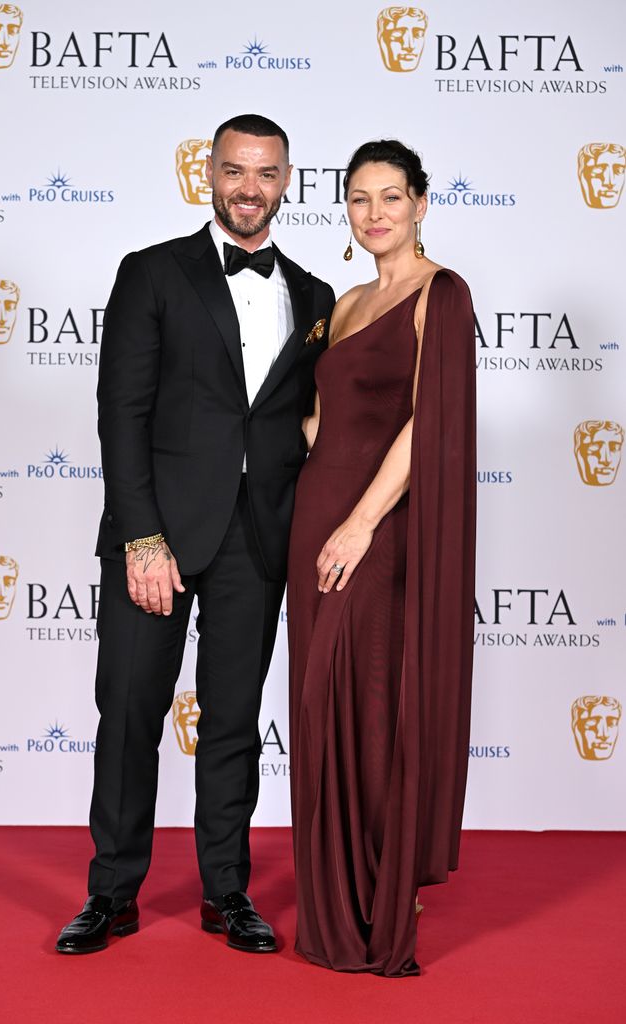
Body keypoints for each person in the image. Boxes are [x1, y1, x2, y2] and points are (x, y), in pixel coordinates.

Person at [55, 113, 335, 956]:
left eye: (266, 173)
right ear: (206, 175)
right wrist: (141, 537)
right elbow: (121, 411)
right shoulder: (152, 273)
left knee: (234, 724)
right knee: (130, 713)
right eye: (234, 171)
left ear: (288, 181)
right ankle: (112, 893)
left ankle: (227, 892)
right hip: (159, 538)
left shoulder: (317, 297)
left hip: (258, 540)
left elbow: (313, 423)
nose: (248, 188)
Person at [287, 139, 476, 977]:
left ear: (421, 203)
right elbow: (322, 425)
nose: (374, 213)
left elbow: (424, 424)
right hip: (313, 516)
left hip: (375, 524)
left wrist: (360, 524)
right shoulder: (348, 298)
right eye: (359, 199)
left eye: (390, 197)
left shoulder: (443, 292)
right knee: (318, 705)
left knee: (367, 703)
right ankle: (335, 885)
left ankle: (378, 891)